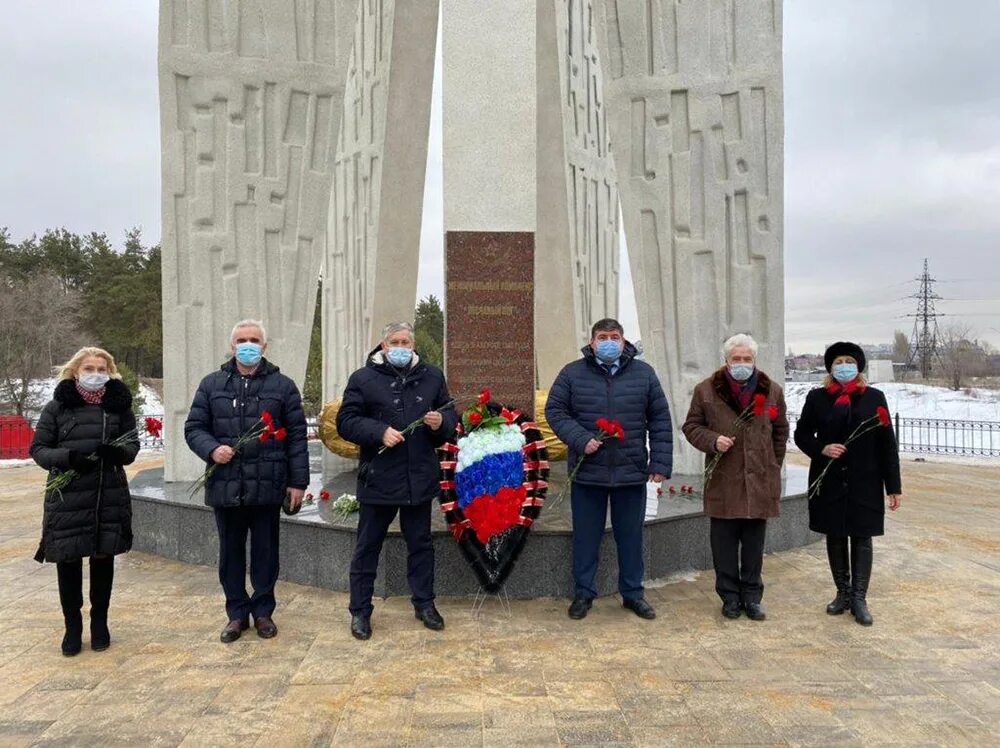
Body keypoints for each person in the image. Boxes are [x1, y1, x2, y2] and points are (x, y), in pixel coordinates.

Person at [184, 319, 309, 643]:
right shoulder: (212, 384)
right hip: (227, 484)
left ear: (264, 347)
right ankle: (237, 613)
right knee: (231, 553)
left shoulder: (283, 386)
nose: (248, 345)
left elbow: (296, 437)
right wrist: (212, 450)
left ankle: (263, 611)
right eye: (242, 339)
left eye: (254, 339)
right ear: (232, 346)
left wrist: (298, 482)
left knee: (266, 552)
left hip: (268, 485)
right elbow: (194, 428)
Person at [545, 318, 672, 620]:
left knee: (630, 538)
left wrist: (661, 463)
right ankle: (583, 593)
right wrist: (580, 438)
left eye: (614, 336)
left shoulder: (644, 374)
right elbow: (555, 410)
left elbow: (659, 419)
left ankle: (632, 594)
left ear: (624, 340)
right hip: (589, 473)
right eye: (602, 337)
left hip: (630, 472)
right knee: (586, 538)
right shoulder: (572, 373)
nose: (609, 342)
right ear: (591, 342)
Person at [336, 322, 457, 640]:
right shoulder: (363, 378)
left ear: (414, 346)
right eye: (395, 342)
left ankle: (425, 603)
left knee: (421, 545)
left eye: (406, 342)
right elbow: (346, 421)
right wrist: (378, 432)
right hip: (379, 479)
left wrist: (440, 422)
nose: (401, 347)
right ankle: (360, 611)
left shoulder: (432, 376)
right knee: (367, 548)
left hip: (419, 478)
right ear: (383, 345)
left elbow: (451, 418)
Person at [30, 347, 140, 655]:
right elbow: (39, 449)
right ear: (75, 372)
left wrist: (118, 454)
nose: (95, 374)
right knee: (68, 560)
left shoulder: (118, 407)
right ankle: (72, 626)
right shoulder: (57, 407)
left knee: (103, 558)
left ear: (110, 372)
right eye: (89, 368)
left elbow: (131, 444)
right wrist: (68, 458)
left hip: (108, 494)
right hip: (69, 496)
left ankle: (99, 622)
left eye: (101, 369)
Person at [794, 341, 902, 626]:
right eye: (838, 361)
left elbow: (887, 444)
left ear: (858, 366)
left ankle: (859, 597)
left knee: (862, 535)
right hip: (829, 478)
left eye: (849, 361)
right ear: (830, 367)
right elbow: (802, 435)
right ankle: (841, 592)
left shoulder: (874, 398)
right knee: (835, 534)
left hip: (865, 479)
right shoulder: (817, 398)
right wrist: (822, 448)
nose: (844, 366)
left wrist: (894, 486)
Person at [681, 334, 788, 621]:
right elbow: (691, 426)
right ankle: (729, 596)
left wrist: (771, 465)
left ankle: (752, 597)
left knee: (754, 545)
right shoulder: (706, 390)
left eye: (747, 359)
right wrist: (713, 440)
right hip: (724, 479)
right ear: (726, 361)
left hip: (758, 481)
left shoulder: (772, 390)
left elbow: (780, 432)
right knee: (724, 545)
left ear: (755, 361)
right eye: (736, 359)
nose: (741, 364)